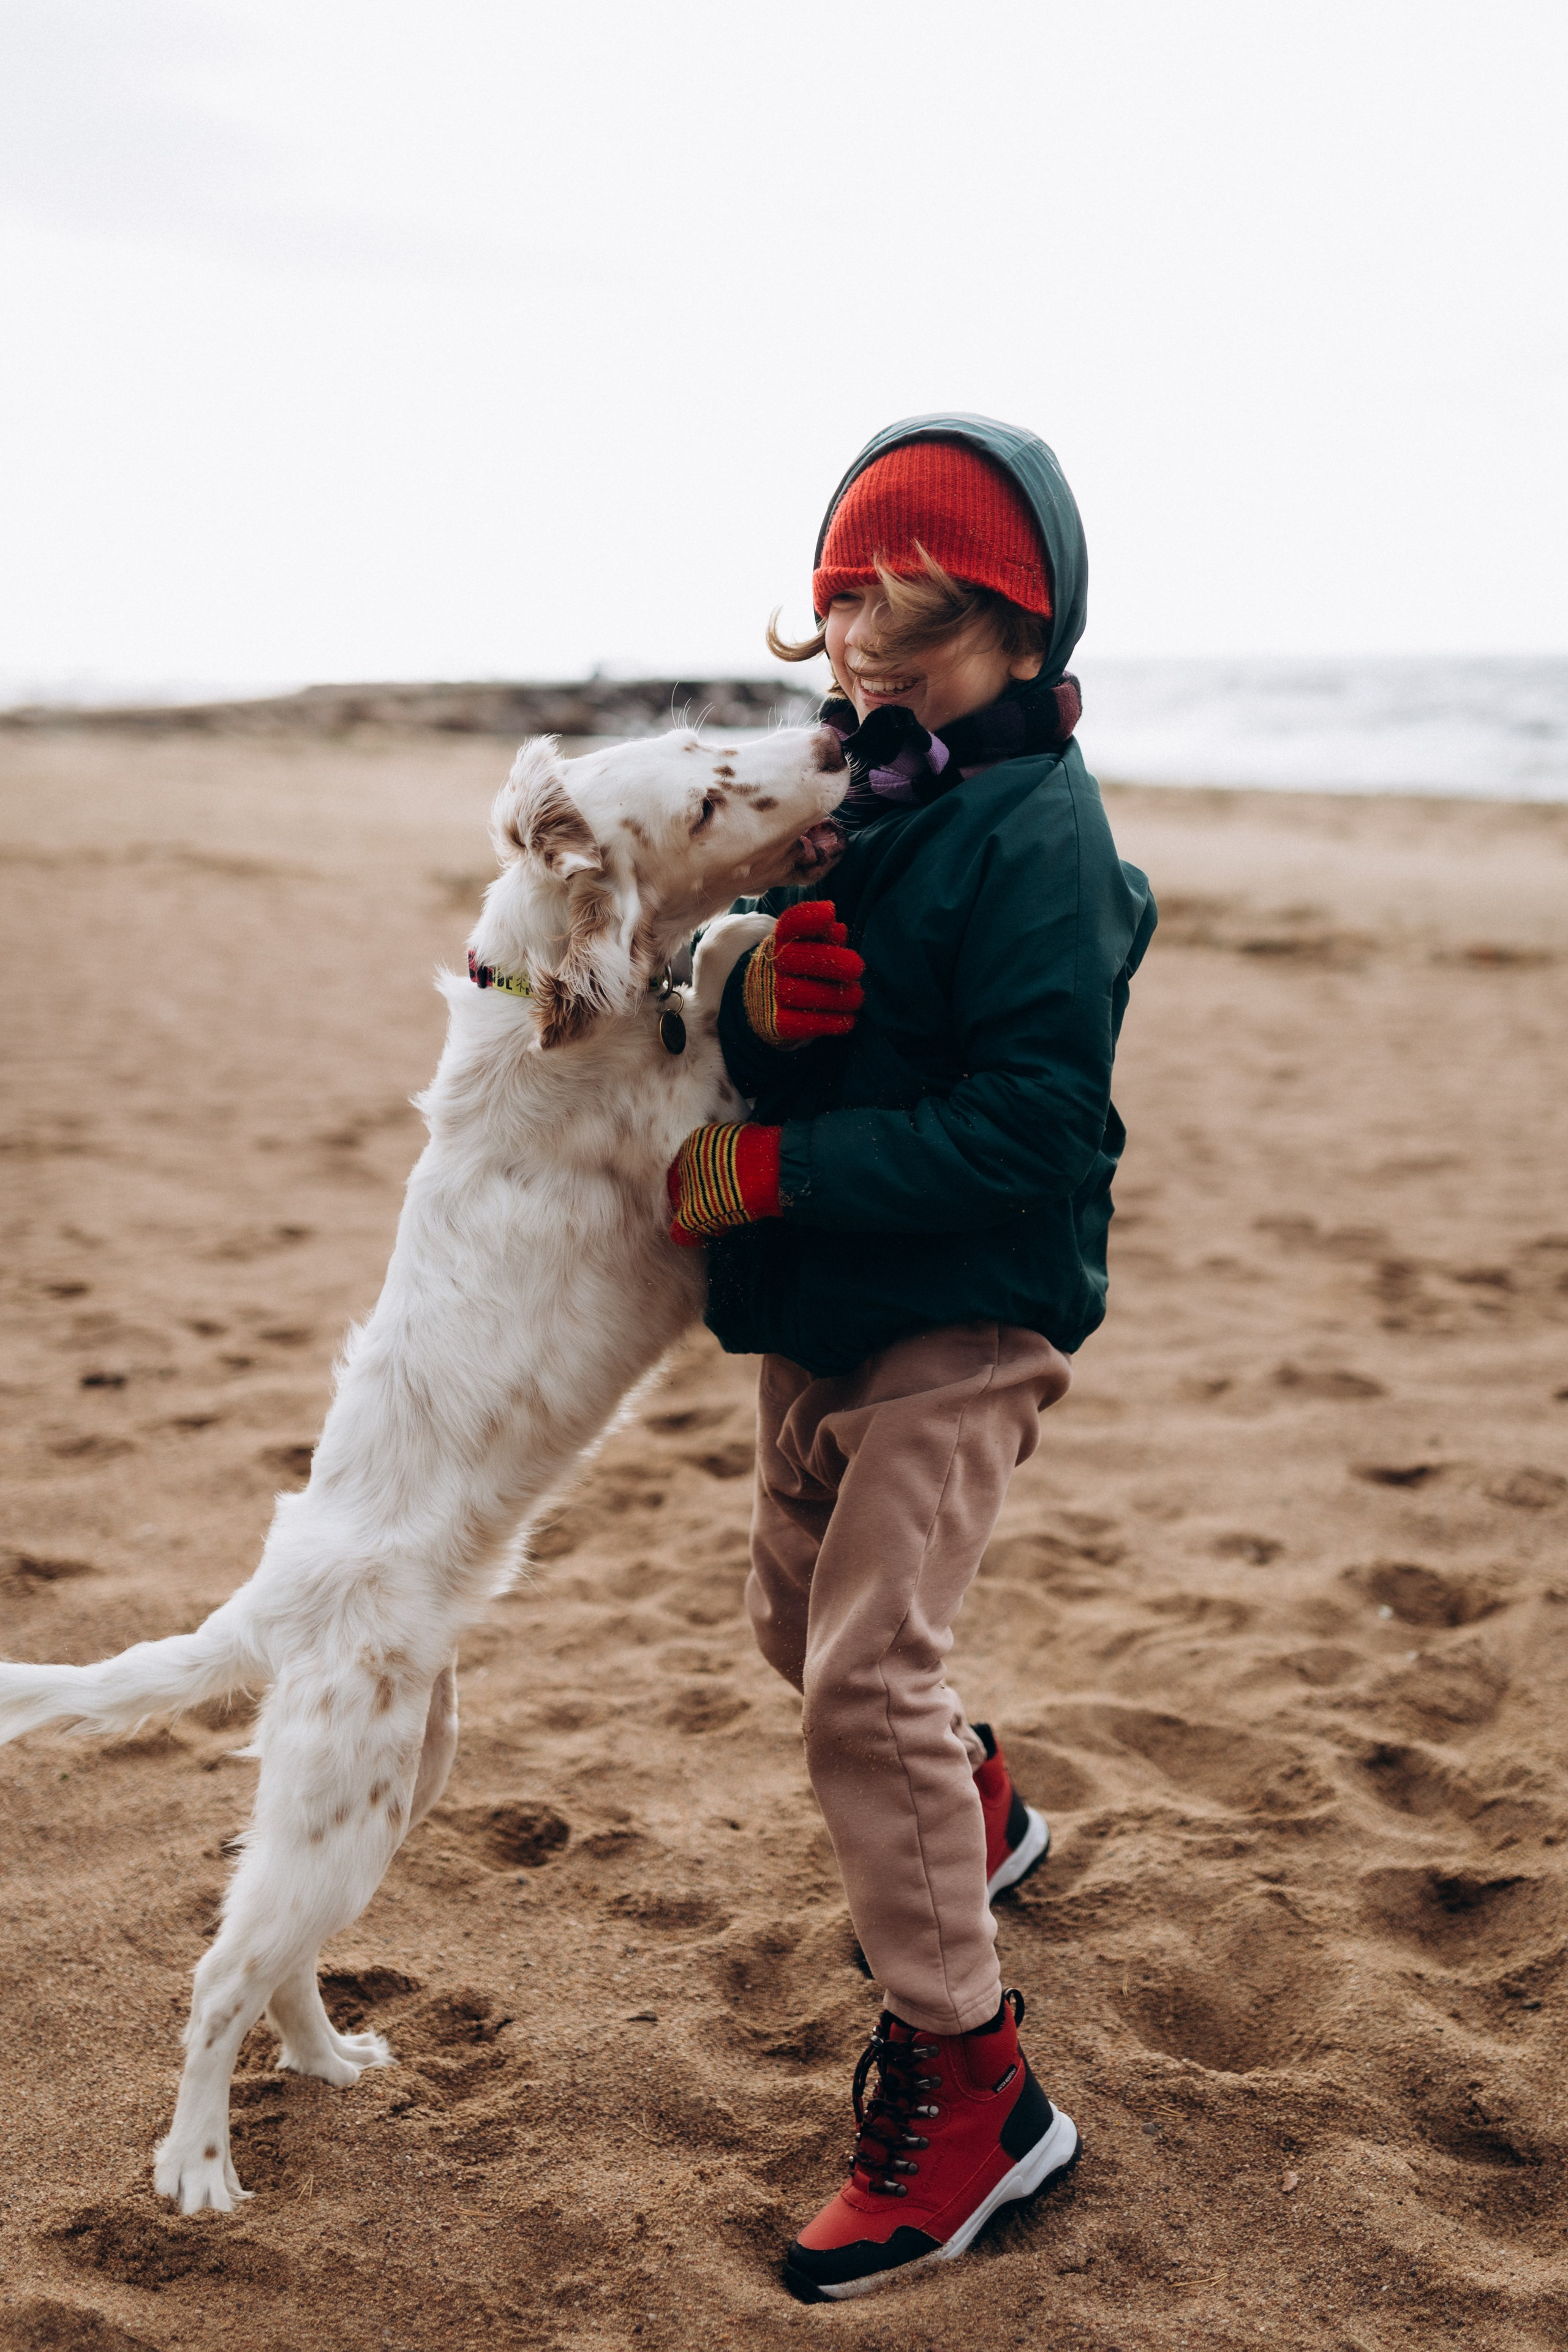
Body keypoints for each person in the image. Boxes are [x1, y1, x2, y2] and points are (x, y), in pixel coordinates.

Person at [665, 413, 1156, 2302]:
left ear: (1029, 641)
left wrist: (780, 1157)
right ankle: (984, 1809)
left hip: (963, 1317)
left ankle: (976, 2101)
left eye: (931, 628)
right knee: (798, 1637)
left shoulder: (1043, 837)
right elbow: (723, 948)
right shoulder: (860, 791)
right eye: (852, 612)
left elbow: (1041, 1124)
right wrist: (746, 983)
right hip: (824, 1308)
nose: (876, 653)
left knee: (863, 1676)